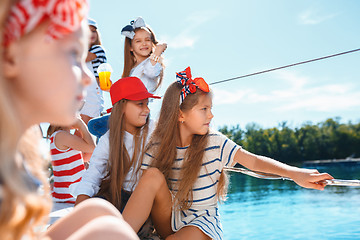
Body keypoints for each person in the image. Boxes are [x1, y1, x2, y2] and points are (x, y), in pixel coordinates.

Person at [121, 67, 334, 240]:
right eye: (203, 109)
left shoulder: (214, 143)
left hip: (201, 224)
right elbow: (141, 186)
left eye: (210, 108)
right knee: (151, 176)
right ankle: (117, 234)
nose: (211, 115)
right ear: (180, 115)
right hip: (171, 218)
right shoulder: (158, 146)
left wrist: (296, 174)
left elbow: (254, 161)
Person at [0, 0, 137, 239]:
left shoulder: (22, 143)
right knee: (112, 232)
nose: (87, 77)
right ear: (12, 57)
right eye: (73, 55)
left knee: (98, 209)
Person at [71, 77, 161, 238]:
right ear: (122, 107)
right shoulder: (109, 139)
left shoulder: (154, 130)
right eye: (140, 104)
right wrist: (78, 214)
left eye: (147, 103)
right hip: (118, 197)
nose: (146, 109)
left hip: (145, 201)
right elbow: (93, 175)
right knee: (95, 213)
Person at [87, 16, 168, 138]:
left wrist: (158, 51)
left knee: (96, 126)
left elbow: (151, 71)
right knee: (97, 128)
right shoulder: (134, 69)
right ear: (130, 47)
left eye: (147, 40)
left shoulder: (151, 64)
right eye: (138, 41)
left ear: (152, 43)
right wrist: (112, 88)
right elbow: (129, 92)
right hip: (130, 111)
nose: (144, 43)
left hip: (140, 112)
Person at [47, 116, 95, 205]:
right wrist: (81, 126)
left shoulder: (60, 137)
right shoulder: (61, 135)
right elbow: (92, 148)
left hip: (68, 195)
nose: (79, 116)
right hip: (71, 196)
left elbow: (87, 156)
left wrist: (81, 131)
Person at [80, 18, 108, 125]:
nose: (91, 34)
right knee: (79, 127)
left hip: (92, 93)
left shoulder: (98, 49)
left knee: (83, 128)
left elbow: (83, 58)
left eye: (93, 31)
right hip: (83, 91)